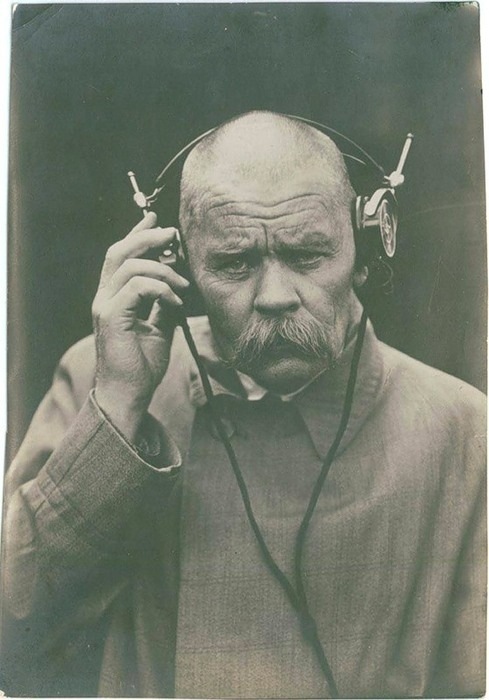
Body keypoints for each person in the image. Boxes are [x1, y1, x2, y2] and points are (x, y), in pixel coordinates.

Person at [2, 111, 486, 698]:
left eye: (308, 255)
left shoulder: (465, 434)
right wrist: (119, 408)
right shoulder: (100, 382)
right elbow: (13, 639)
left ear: (364, 250)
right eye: (235, 263)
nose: (275, 297)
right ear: (178, 266)